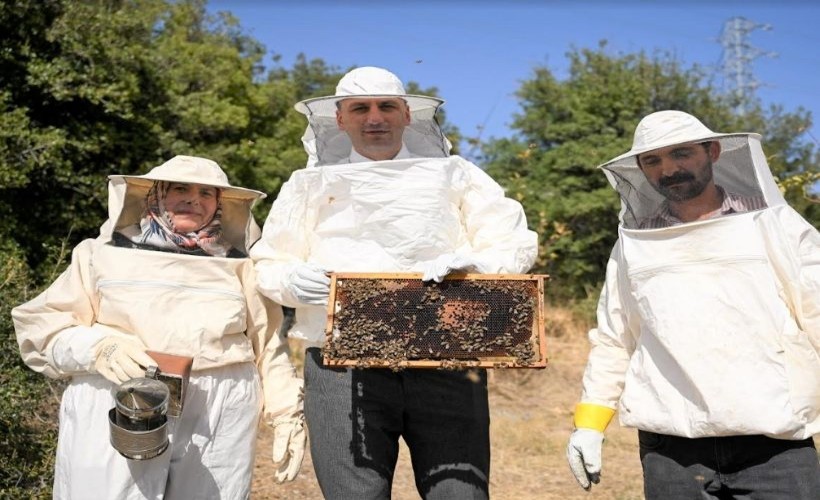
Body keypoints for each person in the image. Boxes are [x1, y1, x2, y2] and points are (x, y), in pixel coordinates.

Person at [250, 66, 538, 499]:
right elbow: (268, 263)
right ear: (340, 119)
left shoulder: (456, 173)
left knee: (460, 494)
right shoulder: (307, 184)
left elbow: (513, 243)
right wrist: (293, 279)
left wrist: (475, 265)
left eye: (386, 106)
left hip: (447, 359)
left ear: (406, 114)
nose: (374, 118)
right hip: (339, 366)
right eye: (360, 108)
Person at [12, 155, 306, 499]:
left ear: (220, 204)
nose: (193, 199)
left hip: (218, 410)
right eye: (179, 188)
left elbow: (269, 344)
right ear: (155, 194)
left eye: (206, 193)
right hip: (117, 398)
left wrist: (287, 412)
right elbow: (42, 327)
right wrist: (97, 348)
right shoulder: (97, 254)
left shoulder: (241, 266)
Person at [565, 110, 820, 499]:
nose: (668, 169)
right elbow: (616, 337)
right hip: (671, 447)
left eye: (681, 153)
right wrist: (590, 422)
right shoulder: (634, 243)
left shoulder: (774, 224)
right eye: (653, 160)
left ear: (713, 151)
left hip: (774, 443)